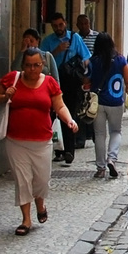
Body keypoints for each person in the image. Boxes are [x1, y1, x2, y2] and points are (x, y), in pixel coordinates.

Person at [0, 47, 79, 233]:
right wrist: (5, 95)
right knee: (22, 180)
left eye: (36, 65)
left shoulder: (49, 83)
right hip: (16, 141)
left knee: (41, 180)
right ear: (23, 65)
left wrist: (69, 120)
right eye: (29, 65)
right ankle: (26, 220)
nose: (32, 69)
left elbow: (60, 105)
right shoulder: (13, 78)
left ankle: (41, 205)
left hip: (42, 141)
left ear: (43, 65)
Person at [41, 12, 90, 165]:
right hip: (53, 81)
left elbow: (86, 57)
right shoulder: (48, 41)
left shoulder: (75, 38)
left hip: (71, 83)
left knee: (69, 114)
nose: (58, 28)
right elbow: (42, 61)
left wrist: (82, 72)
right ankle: (58, 150)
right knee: (53, 116)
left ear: (65, 23)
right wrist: (57, 51)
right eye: (55, 26)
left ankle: (69, 150)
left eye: (60, 25)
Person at [89, 32, 128, 179]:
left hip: (98, 103)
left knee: (99, 135)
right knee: (116, 131)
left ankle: (100, 167)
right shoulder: (121, 60)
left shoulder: (93, 61)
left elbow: (86, 80)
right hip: (116, 101)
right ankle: (112, 159)